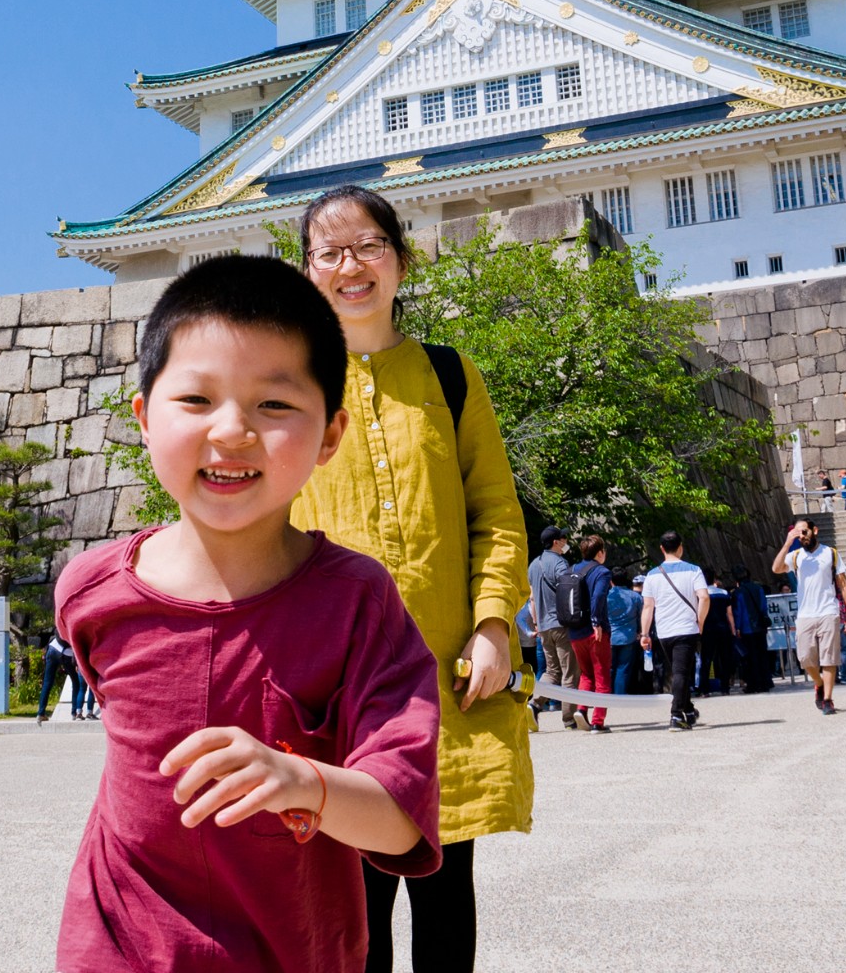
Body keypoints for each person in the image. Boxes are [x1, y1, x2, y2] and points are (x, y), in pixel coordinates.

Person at [54, 254, 442, 973]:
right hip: (118, 949)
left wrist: (302, 783)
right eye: (196, 401)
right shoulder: (91, 592)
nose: (231, 431)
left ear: (330, 435)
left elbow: (398, 821)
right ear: (143, 418)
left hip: (293, 951)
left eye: (274, 405)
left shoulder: (357, 602)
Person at [292, 185, 533, 973]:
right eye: (329, 251)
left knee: (444, 889)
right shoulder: (289, 390)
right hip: (335, 688)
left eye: (368, 246)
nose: (350, 266)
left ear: (400, 260)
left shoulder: (450, 375)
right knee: (348, 908)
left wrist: (495, 622)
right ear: (307, 271)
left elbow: (495, 511)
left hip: (444, 679)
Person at [772, 519, 846, 714]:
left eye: (804, 532)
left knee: (829, 658)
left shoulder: (830, 553)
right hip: (805, 614)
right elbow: (776, 569)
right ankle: (818, 683)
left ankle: (827, 699)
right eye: (798, 533)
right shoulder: (796, 556)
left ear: (814, 531)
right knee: (806, 658)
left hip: (828, 611)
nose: (802, 536)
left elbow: (843, 583)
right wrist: (787, 543)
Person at [639, 532, 710, 730]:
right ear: (681, 547)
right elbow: (704, 597)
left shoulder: (652, 575)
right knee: (681, 673)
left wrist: (644, 634)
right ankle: (676, 715)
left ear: (661, 548)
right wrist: (700, 621)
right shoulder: (693, 570)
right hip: (686, 628)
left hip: (664, 632)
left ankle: (688, 709)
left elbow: (647, 607)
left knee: (680, 671)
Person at [527, 528, 579, 732]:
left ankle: (534, 704)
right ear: (556, 542)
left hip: (543, 625)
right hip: (560, 623)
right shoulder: (559, 562)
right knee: (569, 671)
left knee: (551, 670)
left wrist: (536, 623)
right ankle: (569, 719)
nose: (566, 543)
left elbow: (532, 597)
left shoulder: (533, 565)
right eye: (564, 539)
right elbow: (567, 587)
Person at [567, 536, 614, 732]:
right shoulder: (602, 572)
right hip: (596, 632)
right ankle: (598, 721)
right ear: (600, 553)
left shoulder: (571, 570)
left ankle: (581, 709)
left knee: (586, 674)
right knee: (602, 675)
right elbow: (599, 596)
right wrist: (596, 622)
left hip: (574, 631)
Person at [732, 567, 772, 693]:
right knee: (762, 655)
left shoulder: (738, 592)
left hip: (746, 628)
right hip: (760, 626)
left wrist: (737, 627)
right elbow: (763, 607)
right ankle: (766, 682)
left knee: (750, 658)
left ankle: (753, 684)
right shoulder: (758, 588)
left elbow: (738, 612)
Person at [699, 572, 737, 695]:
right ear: (714, 580)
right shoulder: (724, 593)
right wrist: (733, 629)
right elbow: (729, 613)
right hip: (723, 628)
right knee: (724, 658)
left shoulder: (701, 595)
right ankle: (725, 688)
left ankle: (704, 689)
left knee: (706, 658)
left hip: (707, 629)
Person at [606, 568, 640, 697]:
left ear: (611, 580)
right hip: (629, 636)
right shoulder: (635, 596)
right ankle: (620, 696)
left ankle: (606, 695)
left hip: (609, 636)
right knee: (623, 668)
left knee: (609, 668)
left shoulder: (606, 596)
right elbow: (641, 615)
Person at [36, 632, 74, 722]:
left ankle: (40, 713)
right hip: (67, 652)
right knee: (76, 681)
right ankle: (75, 712)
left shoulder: (60, 620)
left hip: (53, 647)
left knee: (47, 683)